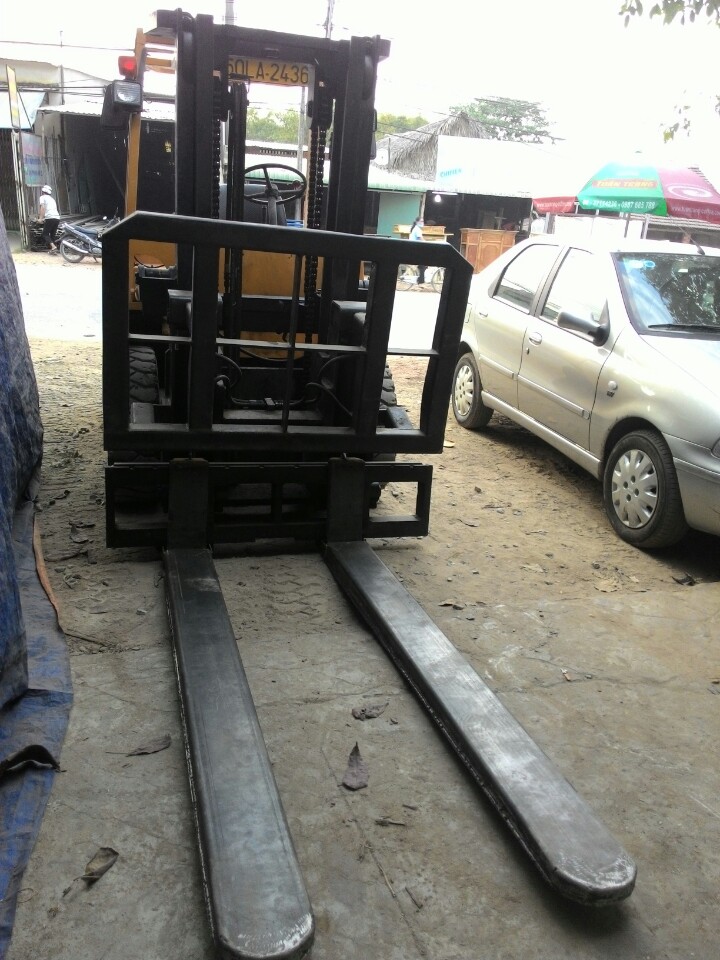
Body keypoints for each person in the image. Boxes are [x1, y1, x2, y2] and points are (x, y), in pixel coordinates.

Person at [37, 185, 60, 254]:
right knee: (52, 235)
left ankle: (53, 247)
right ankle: (53, 250)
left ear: (43, 191)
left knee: (45, 234)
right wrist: (44, 217)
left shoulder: (42, 197)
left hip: (50, 217)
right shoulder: (52, 199)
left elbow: (43, 208)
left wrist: (40, 219)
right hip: (57, 218)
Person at [409, 217, 427, 285]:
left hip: (414, 249)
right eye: (421, 221)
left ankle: (421, 279)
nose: (422, 223)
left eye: (423, 221)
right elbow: (420, 239)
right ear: (417, 222)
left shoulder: (416, 228)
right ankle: (421, 280)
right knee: (423, 263)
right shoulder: (417, 229)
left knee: (423, 264)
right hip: (414, 250)